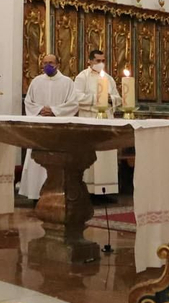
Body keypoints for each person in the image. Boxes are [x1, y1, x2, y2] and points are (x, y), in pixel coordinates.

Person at [18, 54, 79, 201]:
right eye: (45, 63)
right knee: (37, 161)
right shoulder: (36, 82)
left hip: (58, 126)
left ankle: (59, 192)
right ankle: (35, 193)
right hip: (40, 125)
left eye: (51, 62)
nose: (47, 65)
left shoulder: (67, 82)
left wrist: (54, 111)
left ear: (58, 64)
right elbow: (28, 102)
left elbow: (73, 103)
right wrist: (40, 109)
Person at [72, 48, 119, 199]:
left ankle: (106, 190)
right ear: (90, 61)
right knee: (91, 156)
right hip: (90, 120)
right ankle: (89, 192)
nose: (101, 64)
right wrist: (98, 98)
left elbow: (118, 97)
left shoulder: (109, 78)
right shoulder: (82, 77)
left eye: (103, 61)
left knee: (106, 155)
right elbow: (77, 97)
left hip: (106, 120)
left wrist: (110, 99)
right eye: (98, 61)